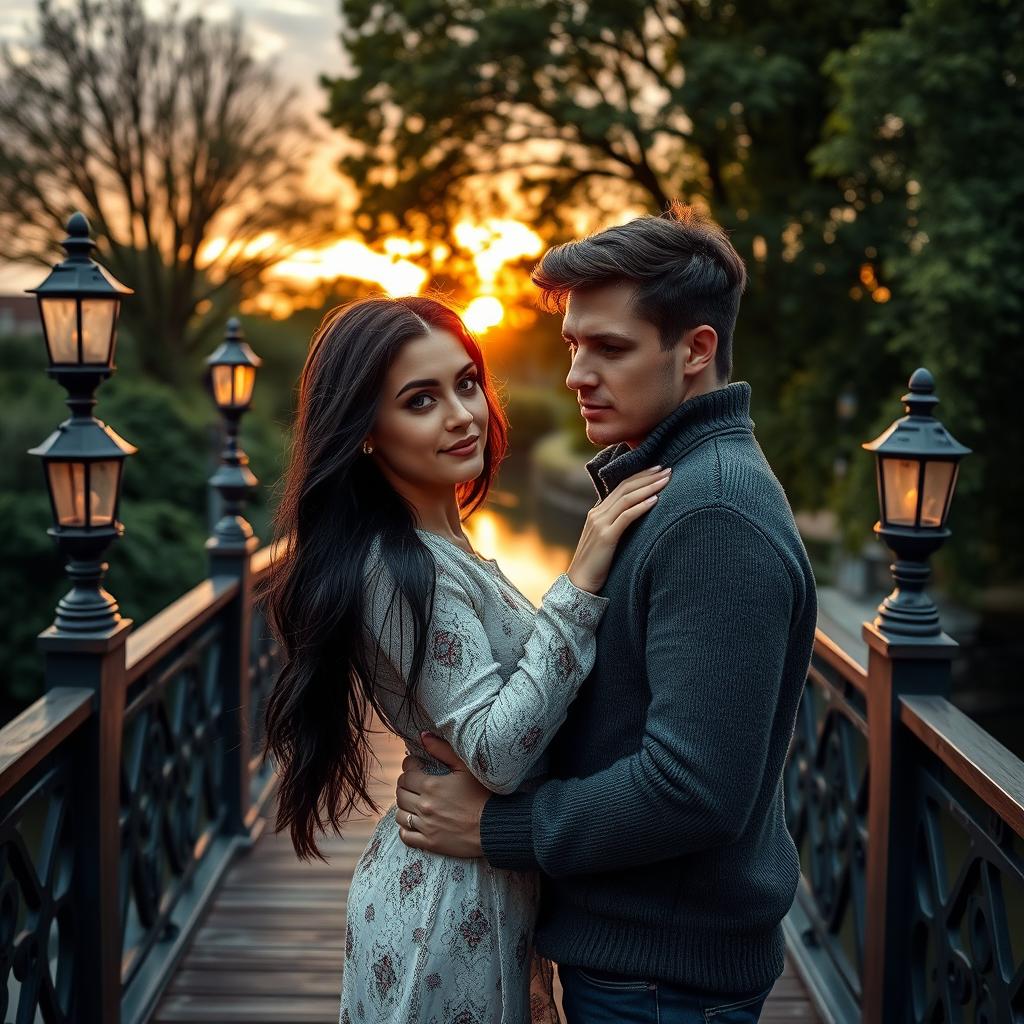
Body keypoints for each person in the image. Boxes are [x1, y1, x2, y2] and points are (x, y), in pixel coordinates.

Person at [394, 203, 818, 1024]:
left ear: (695, 350)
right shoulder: (665, 484)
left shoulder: (713, 517)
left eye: (611, 348)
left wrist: (498, 829)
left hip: (662, 982)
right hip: (639, 960)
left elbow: (693, 787)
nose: (577, 375)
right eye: (574, 345)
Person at [258, 295, 670, 1024]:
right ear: (363, 434)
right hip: (440, 914)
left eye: (467, 382)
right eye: (421, 400)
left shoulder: (446, 552)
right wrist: (579, 581)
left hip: (483, 883)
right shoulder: (395, 567)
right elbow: (498, 752)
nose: (462, 414)